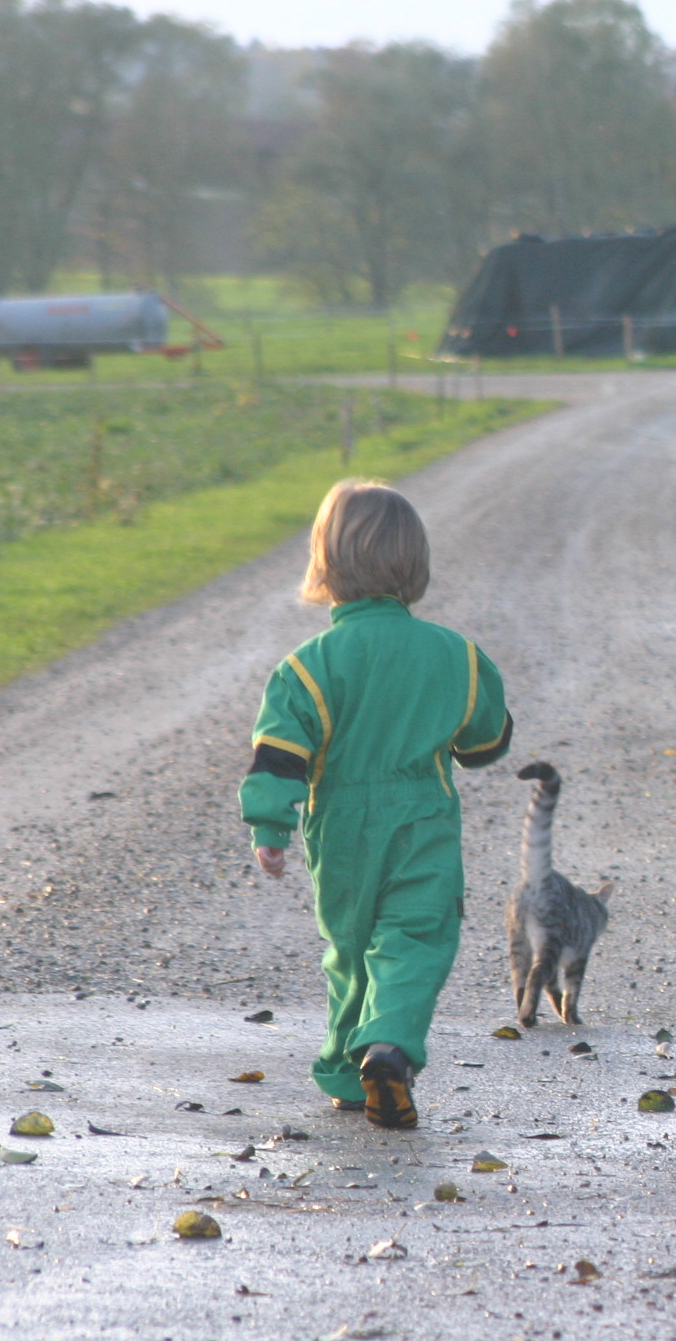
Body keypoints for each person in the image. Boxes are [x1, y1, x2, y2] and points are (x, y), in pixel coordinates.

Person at [239, 480, 512, 1130]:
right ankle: (388, 1047)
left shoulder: (307, 667)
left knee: (351, 948)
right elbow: (487, 739)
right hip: (424, 820)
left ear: (325, 565)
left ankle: (345, 1069)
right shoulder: (456, 655)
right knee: (415, 938)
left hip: (340, 830)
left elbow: (279, 755)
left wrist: (271, 824)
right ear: (415, 565)